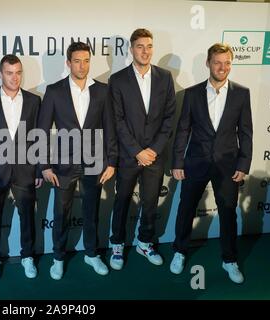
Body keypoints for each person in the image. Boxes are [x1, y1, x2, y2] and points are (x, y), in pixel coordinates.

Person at [170, 43, 252, 284]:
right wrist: (177, 162)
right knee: (185, 209)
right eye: (217, 62)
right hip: (195, 162)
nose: (223, 67)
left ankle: (229, 259)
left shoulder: (241, 93)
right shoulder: (192, 93)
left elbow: (245, 132)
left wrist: (243, 163)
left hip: (228, 165)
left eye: (227, 62)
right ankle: (179, 251)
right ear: (208, 63)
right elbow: (183, 130)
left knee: (228, 213)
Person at [38, 42, 118, 280]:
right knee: (61, 213)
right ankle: (59, 257)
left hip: (95, 163)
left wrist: (111, 161)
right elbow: (42, 130)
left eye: (86, 60)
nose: (82, 65)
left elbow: (111, 129)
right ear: (68, 63)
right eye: (77, 61)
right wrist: (44, 165)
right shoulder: (54, 91)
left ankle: (92, 254)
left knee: (92, 211)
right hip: (62, 164)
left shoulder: (103, 90)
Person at [109, 28, 176, 269]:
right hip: (129, 156)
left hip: (155, 157)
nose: (145, 51)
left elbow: (169, 118)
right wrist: (137, 151)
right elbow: (117, 120)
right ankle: (117, 243)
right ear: (131, 49)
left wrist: (154, 150)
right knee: (122, 200)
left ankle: (145, 242)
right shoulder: (117, 80)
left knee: (149, 203)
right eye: (140, 46)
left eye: (149, 46)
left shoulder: (165, 77)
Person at [0, 54, 42, 282]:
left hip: (25, 169)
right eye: (9, 73)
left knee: (27, 216)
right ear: (0, 74)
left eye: (18, 72)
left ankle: (27, 256)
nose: (15, 77)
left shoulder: (33, 101)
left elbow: (38, 138)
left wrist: (40, 169)